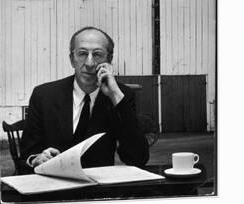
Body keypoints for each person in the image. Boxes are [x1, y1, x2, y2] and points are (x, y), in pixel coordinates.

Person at [20, 26, 149, 171]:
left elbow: (138, 158)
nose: (89, 63)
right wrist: (37, 159)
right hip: (54, 184)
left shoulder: (120, 95)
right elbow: (26, 156)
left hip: (99, 187)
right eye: (82, 54)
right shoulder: (43, 95)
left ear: (109, 60)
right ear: (71, 59)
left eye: (97, 55)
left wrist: (115, 96)